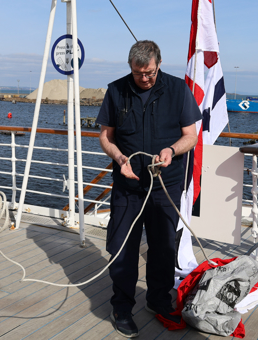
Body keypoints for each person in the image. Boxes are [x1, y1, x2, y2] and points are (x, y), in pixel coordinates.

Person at [96, 40, 202, 338]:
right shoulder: (116, 90)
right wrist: (118, 157)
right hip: (127, 188)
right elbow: (105, 136)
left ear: (159, 64)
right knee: (121, 248)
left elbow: (190, 136)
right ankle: (122, 307)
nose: (144, 78)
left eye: (150, 73)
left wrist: (170, 150)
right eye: (138, 73)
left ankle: (158, 300)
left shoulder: (179, 89)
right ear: (130, 68)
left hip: (164, 187)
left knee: (163, 248)